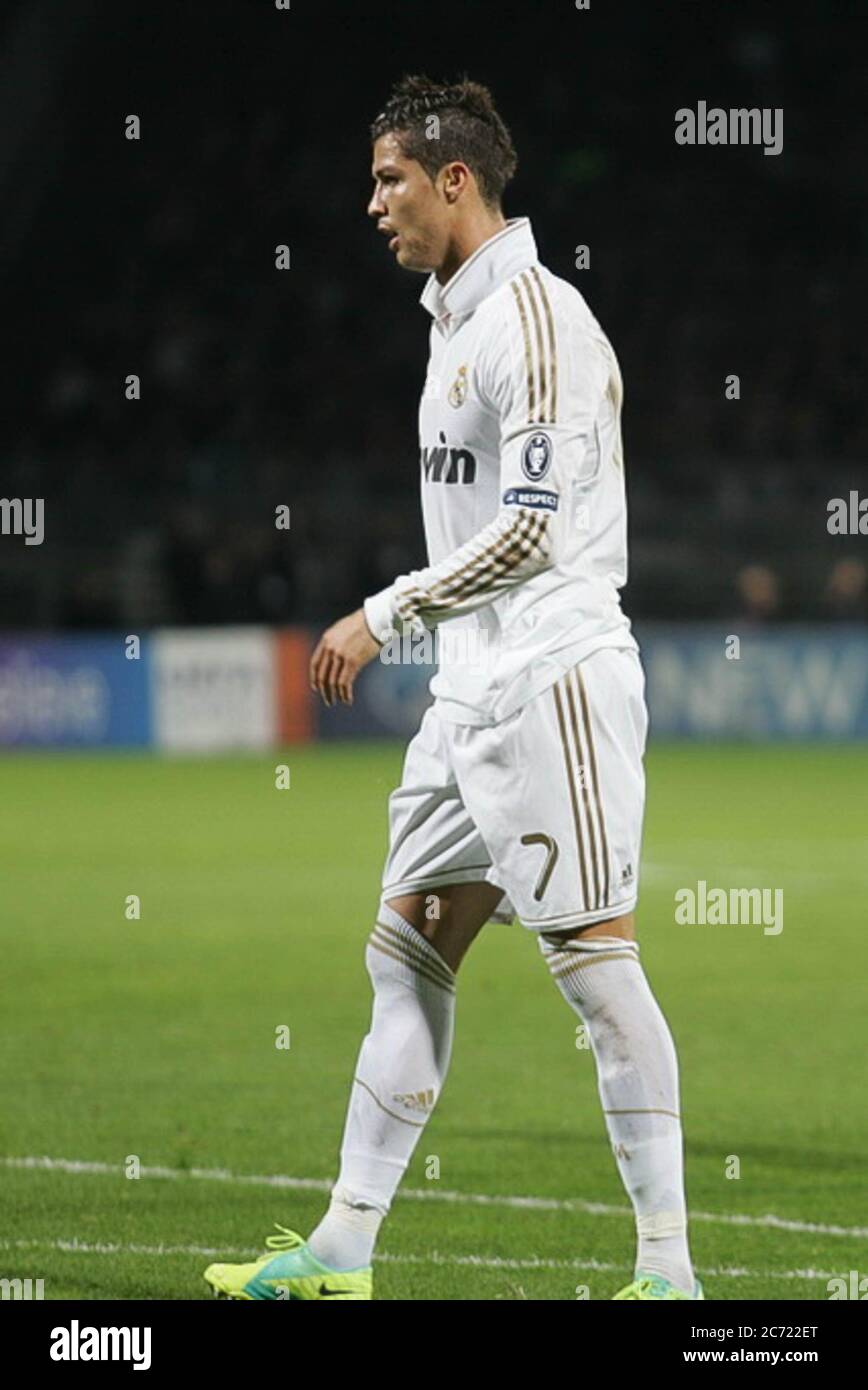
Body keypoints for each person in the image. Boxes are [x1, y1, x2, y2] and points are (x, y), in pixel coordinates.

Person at [204, 74, 700, 1302]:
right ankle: (341, 1251)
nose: (372, 202)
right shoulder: (454, 322)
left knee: (592, 962)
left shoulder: (535, 320)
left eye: (389, 180)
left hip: (552, 679)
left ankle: (671, 1273)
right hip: (470, 694)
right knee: (405, 955)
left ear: (454, 180)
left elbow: (532, 532)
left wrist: (384, 612)